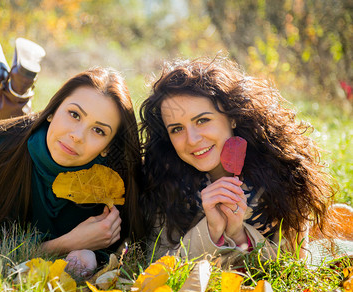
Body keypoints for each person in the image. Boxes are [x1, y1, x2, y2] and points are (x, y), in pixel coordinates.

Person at [0, 66, 141, 278]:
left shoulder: (113, 183)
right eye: (74, 114)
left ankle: (13, 100)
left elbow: (116, 248)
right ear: (52, 111)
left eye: (98, 130)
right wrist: (68, 243)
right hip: (3, 161)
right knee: (11, 140)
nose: (77, 136)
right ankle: (13, 102)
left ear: (108, 146)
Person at [138, 56, 335, 267]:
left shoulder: (286, 174)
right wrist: (211, 230)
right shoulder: (163, 180)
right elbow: (158, 266)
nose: (192, 139)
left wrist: (238, 233)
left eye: (202, 120)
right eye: (177, 129)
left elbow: (293, 268)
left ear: (232, 117)